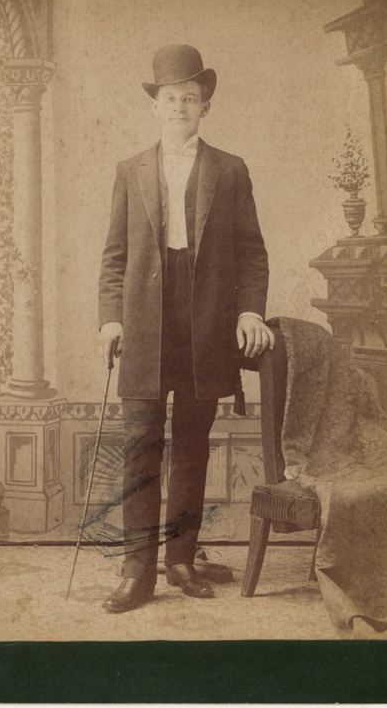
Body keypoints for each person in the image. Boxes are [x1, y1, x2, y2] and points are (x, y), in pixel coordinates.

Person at [98, 44, 274, 613]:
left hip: (206, 324)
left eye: (190, 99)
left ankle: (180, 561)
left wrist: (249, 311)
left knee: (193, 447)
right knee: (140, 448)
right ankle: (137, 572)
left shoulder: (230, 169)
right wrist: (111, 318)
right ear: (156, 105)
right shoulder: (130, 170)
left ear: (205, 107)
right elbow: (114, 258)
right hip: (144, 324)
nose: (180, 107)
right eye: (171, 98)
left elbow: (252, 253)